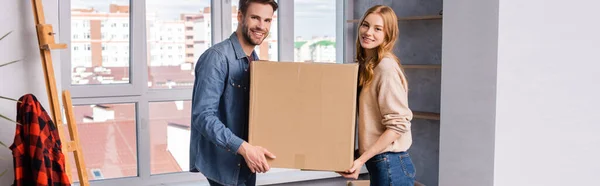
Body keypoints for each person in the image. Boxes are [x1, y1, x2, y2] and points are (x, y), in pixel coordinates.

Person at [190, 0, 278, 185]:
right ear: (240, 17)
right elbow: (203, 116)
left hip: (246, 162)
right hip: (226, 164)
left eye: (267, 20)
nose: (261, 26)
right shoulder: (217, 58)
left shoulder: (254, 61)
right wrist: (244, 148)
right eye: (255, 18)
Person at [339, 5, 416, 185]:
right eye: (365, 25)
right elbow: (372, 125)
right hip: (382, 164)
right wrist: (354, 155)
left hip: (391, 165)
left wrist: (360, 160)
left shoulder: (385, 67)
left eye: (378, 29)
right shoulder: (369, 66)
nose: (368, 32)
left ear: (388, 35)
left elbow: (398, 125)